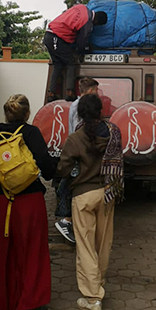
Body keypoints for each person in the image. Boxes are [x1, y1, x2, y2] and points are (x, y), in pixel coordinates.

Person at [0, 94, 58, 310]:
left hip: (3, 202)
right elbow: (46, 166)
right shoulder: (31, 133)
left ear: (6, 113)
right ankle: (31, 303)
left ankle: (8, 302)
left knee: (6, 251)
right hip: (29, 201)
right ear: (27, 114)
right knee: (33, 249)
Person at [57, 93, 123, 310]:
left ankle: (93, 297)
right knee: (103, 244)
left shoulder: (75, 138)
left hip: (84, 196)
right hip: (108, 193)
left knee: (84, 247)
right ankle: (99, 282)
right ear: (102, 110)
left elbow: (63, 170)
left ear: (81, 113)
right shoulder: (114, 132)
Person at [55, 77, 100, 244]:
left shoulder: (77, 105)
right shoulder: (79, 106)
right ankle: (66, 220)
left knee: (73, 183)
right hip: (79, 151)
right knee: (72, 184)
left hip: (77, 149)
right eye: (95, 91)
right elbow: (77, 128)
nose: (97, 94)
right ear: (89, 91)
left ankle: (69, 220)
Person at [44, 4, 107, 100]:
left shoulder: (82, 7)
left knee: (58, 64)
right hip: (56, 37)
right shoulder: (87, 23)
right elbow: (81, 43)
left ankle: (51, 93)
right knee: (71, 64)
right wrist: (85, 50)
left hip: (49, 35)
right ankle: (70, 93)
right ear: (97, 21)